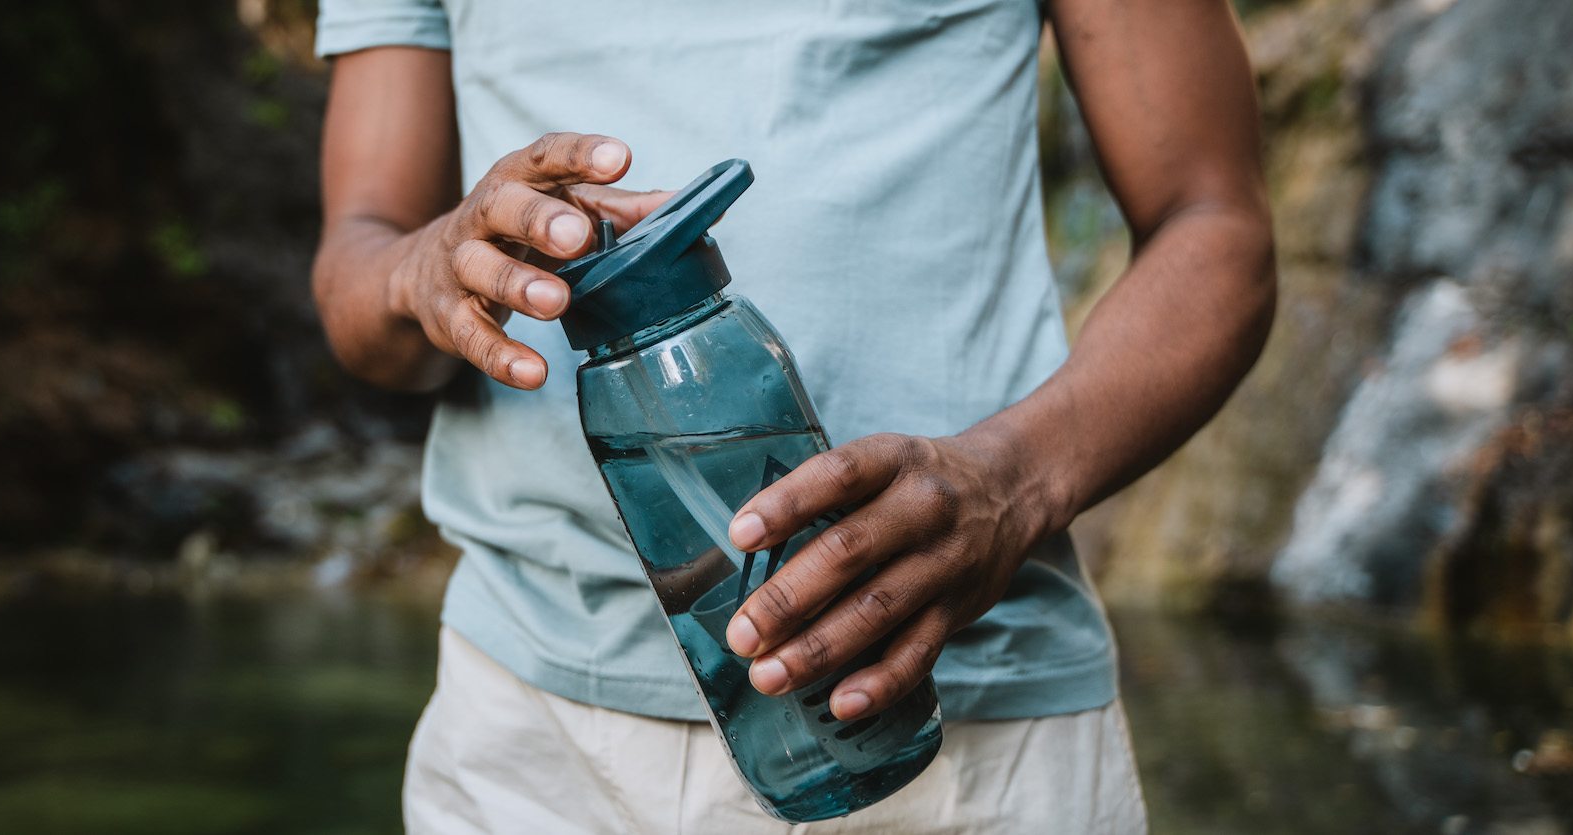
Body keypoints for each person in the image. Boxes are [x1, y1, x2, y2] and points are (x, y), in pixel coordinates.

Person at [311, 0, 1272, 831]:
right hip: (533, 746)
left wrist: (1011, 484)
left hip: (979, 731)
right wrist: (427, 264)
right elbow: (359, 256)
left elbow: (1215, 222)